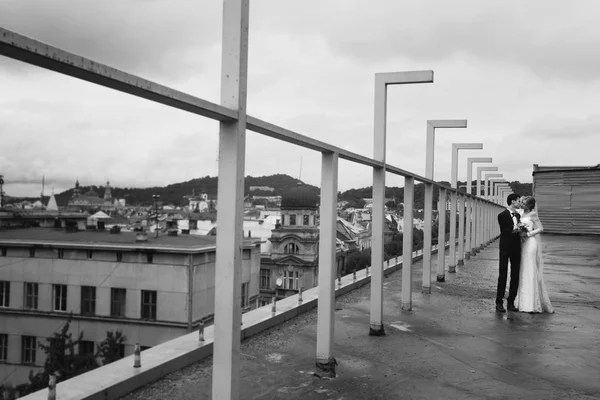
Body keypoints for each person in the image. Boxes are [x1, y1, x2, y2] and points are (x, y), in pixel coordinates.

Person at [515, 196, 554, 313]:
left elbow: (541, 228)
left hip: (530, 243)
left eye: (524, 203)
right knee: (523, 269)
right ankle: (521, 300)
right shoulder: (520, 212)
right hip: (522, 243)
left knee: (530, 269)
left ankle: (531, 303)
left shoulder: (532, 214)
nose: (522, 205)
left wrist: (528, 234)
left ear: (530, 206)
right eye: (522, 203)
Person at [496, 193, 522, 312]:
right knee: (503, 274)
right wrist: (515, 229)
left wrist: (522, 229)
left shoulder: (518, 215)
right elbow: (505, 231)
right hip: (505, 247)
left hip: (516, 247)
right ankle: (499, 302)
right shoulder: (502, 215)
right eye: (518, 201)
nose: (519, 203)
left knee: (515, 274)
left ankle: (511, 301)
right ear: (512, 201)